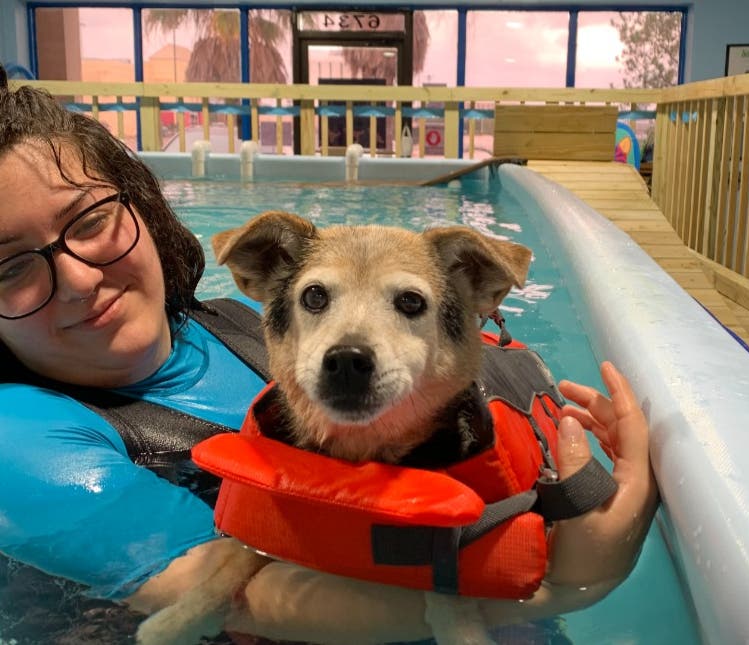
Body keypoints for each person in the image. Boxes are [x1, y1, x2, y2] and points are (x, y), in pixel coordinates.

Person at [0, 66, 658, 644]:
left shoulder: (235, 322)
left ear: (142, 205)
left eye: (90, 222)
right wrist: (579, 571)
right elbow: (258, 601)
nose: (79, 278)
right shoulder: (21, 441)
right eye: (9, 267)